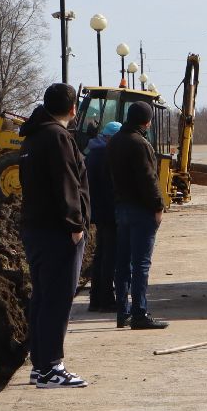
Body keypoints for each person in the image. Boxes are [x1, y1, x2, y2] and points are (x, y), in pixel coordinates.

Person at [18, 82, 91, 388]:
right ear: (73, 109)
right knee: (57, 299)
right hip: (58, 231)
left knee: (43, 297)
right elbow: (67, 183)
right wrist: (75, 225)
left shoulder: (33, 136)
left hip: (36, 228)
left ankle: (40, 364)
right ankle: (51, 367)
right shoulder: (58, 137)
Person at [110, 101, 168, 330]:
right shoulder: (140, 143)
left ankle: (122, 313)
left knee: (122, 264)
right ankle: (139, 314)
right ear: (146, 121)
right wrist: (158, 206)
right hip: (141, 211)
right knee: (141, 264)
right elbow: (148, 179)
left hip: (121, 208)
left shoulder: (115, 141)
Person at [84, 121, 123, 313]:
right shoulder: (106, 156)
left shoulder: (92, 154)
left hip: (97, 212)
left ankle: (95, 299)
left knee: (100, 254)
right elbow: (111, 187)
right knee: (110, 256)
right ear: (111, 138)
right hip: (109, 212)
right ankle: (106, 299)